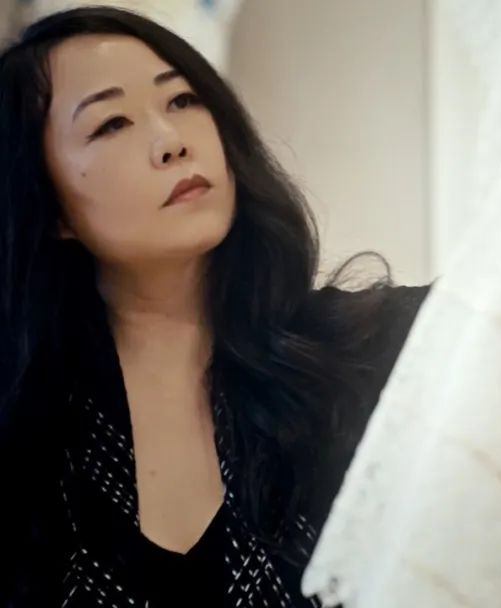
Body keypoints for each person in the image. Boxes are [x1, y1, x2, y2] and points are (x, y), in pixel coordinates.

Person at [0, 6, 430, 606]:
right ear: (49, 206)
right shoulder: (24, 424)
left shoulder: (374, 349)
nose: (171, 142)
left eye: (182, 100)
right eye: (112, 123)